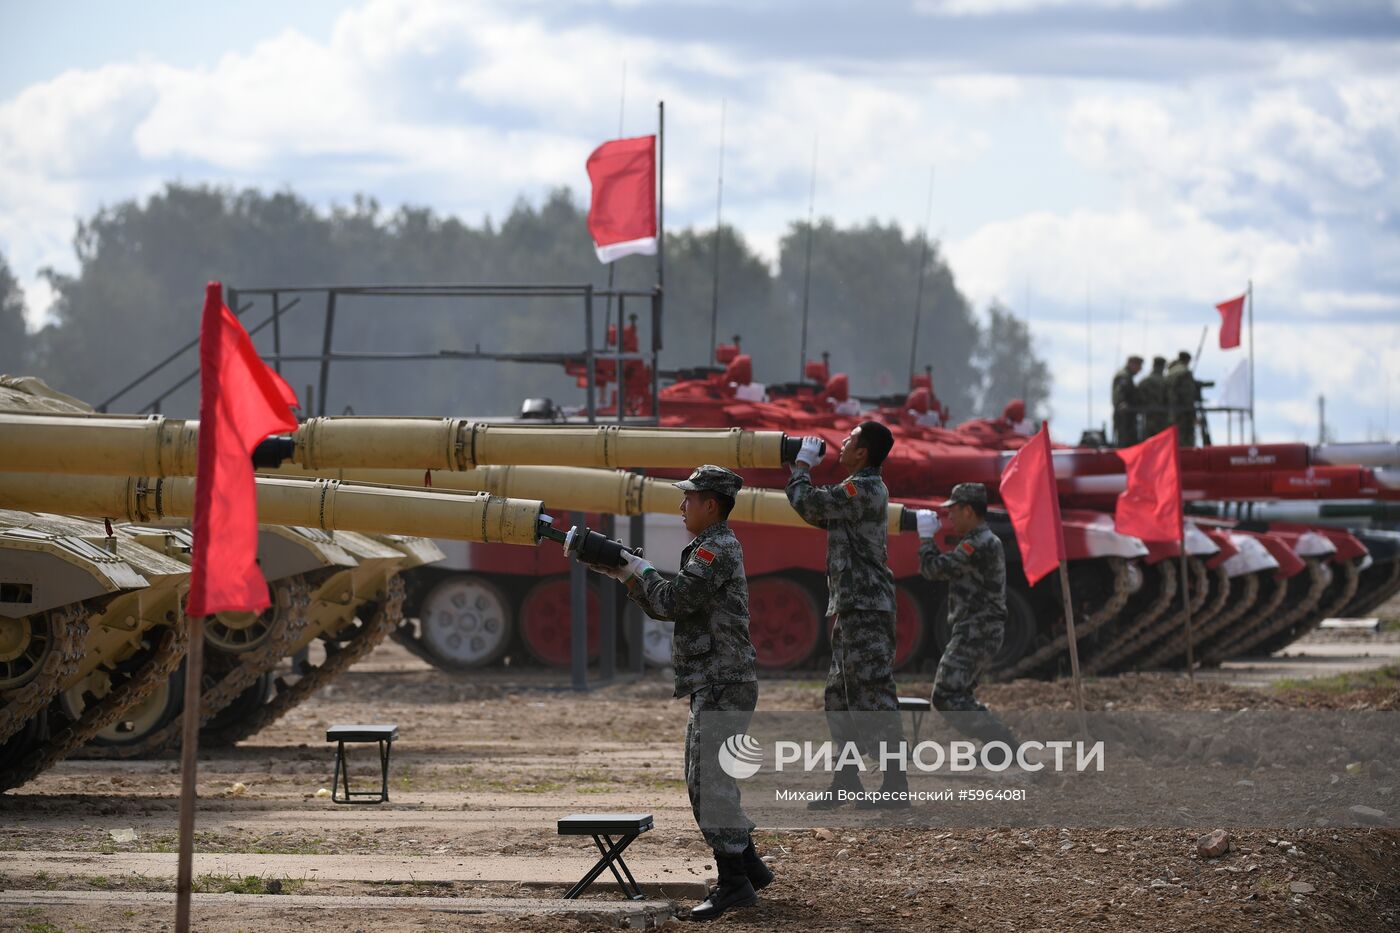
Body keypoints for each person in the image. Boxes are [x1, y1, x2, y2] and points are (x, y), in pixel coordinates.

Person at [589, 464, 769, 921]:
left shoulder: (716, 550)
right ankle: (747, 867)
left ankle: (734, 884)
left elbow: (672, 601)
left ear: (712, 504)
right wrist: (627, 576)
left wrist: (636, 568)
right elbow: (669, 604)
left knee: (707, 783)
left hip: (722, 680)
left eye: (689, 498)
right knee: (711, 778)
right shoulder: (711, 546)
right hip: (718, 679)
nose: (681, 505)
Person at [785, 422, 908, 810]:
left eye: (850, 440)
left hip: (866, 606)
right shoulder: (858, 488)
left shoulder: (863, 487)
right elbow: (822, 513)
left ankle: (894, 783)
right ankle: (847, 779)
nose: (842, 443)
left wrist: (802, 466)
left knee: (873, 693)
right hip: (852, 604)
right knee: (839, 696)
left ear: (863, 452)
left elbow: (811, 505)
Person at [913, 484, 1018, 747]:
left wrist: (926, 539)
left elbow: (934, 570)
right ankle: (999, 749)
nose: (950, 516)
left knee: (945, 694)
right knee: (960, 693)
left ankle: (1004, 745)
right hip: (978, 630)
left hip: (977, 630)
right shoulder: (981, 541)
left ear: (969, 511)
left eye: (954, 510)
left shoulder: (978, 543)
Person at [1111, 355, 1143, 447]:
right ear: (1131, 364)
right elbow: (1120, 393)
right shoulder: (1123, 376)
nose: (1140, 369)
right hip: (1124, 416)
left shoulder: (1128, 376)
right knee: (1125, 441)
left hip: (1128, 415)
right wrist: (1122, 404)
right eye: (1138, 366)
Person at [1166, 351, 1197, 447]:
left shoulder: (1170, 372)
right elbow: (1187, 396)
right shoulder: (1185, 372)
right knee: (1185, 443)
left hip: (1170, 412)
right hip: (1183, 414)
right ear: (1188, 360)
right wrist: (1192, 415)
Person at [1137, 356, 1169, 438]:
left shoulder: (1145, 381)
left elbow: (1138, 396)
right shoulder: (1166, 381)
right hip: (1163, 417)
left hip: (1148, 416)